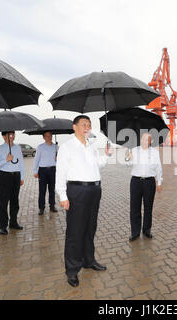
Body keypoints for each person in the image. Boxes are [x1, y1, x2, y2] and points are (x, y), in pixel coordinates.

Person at [56, 115, 113, 287]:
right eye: (83, 124)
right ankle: (72, 270)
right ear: (75, 127)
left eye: (89, 124)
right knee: (75, 232)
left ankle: (89, 260)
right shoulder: (67, 147)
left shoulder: (92, 146)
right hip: (77, 191)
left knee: (90, 228)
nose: (87, 127)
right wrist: (63, 196)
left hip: (95, 190)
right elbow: (60, 173)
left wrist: (107, 155)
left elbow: (98, 165)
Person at [125, 133, 163, 242]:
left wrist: (159, 181)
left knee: (148, 207)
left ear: (150, 141)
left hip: (149, 182)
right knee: (134, 208)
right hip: (136, 181)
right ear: (140, 140)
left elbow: (158, 167)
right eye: (142, 139)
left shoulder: (155, 153)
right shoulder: (134, 150)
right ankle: (135, 232)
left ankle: (147, 230)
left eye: (147, 140)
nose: (144, 141)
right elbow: (127, 164)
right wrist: (128, 158)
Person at [0, 131, 25, 235]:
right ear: (4, 136)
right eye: (9, 134)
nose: (11, 136)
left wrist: (22, 177)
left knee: (15, 201)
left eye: (13, 134)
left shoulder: (18, 148)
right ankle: (2, 226)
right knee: (3, 202)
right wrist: (6, 160)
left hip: (16, 176)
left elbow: (21, 163)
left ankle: (13, 222)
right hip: (4, 177)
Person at [33, 131, 58, 215]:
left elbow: (60, 160)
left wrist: (57, 158)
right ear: (43, 137)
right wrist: (35, 171)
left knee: (52, 189)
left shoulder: (56, 147)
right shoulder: (40, 147)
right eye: (47, 136)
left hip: (52, 170)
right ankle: (41, 208)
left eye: (50, 136)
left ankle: (52, 206)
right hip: (42, 171)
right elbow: (36, 159)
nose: (49, 137)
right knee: (42, 190)